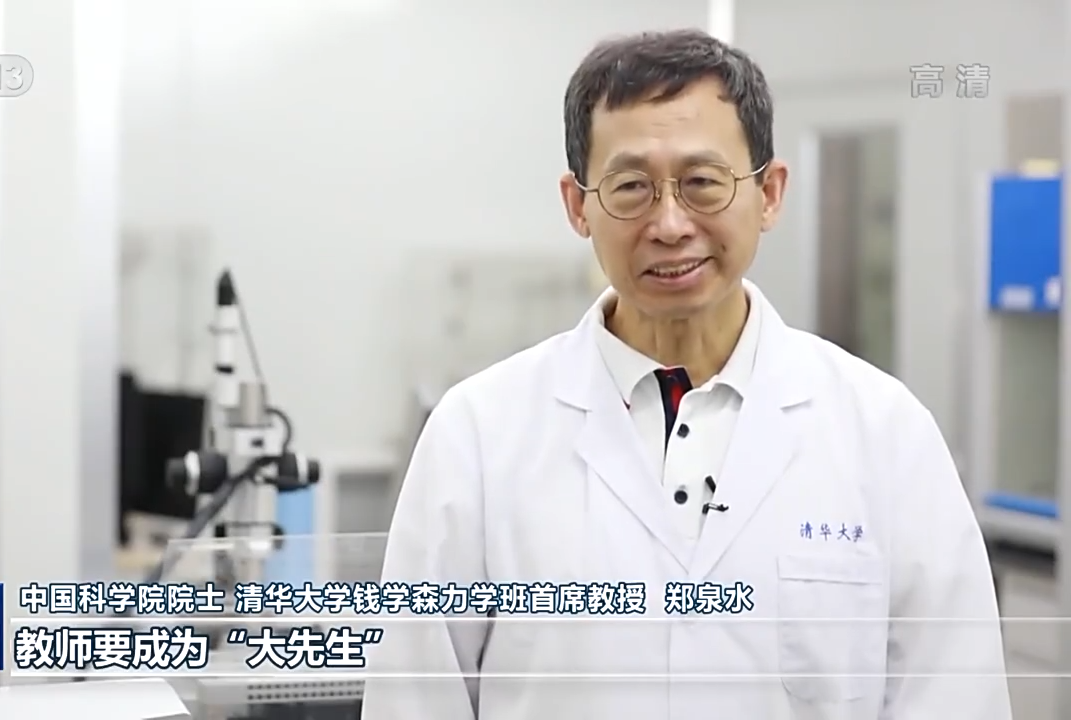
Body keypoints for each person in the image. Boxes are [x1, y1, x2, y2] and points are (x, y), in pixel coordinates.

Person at [359, 29, 1011, 720]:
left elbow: (955, 696)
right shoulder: (477, 437)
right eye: (631, 187)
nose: (670, 225)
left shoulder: (885, 433)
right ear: (578, 206)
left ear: (769, 192)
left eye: (702, 183)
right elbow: (414, 698)